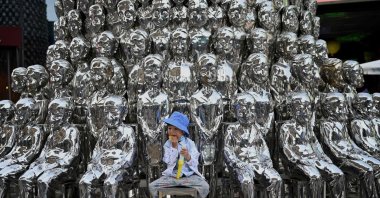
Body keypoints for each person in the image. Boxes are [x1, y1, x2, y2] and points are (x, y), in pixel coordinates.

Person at [149, 111, 209, 198]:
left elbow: (195, 163)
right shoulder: (167, 144)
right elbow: (168, 161)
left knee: (205, 187)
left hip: (188, 177)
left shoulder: (190, 143)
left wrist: (188, 156)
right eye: (169, 128)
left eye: (175, 129)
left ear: (183, 131)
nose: (171, 131)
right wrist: (174, 147)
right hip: (172, 177)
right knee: (152, 186)